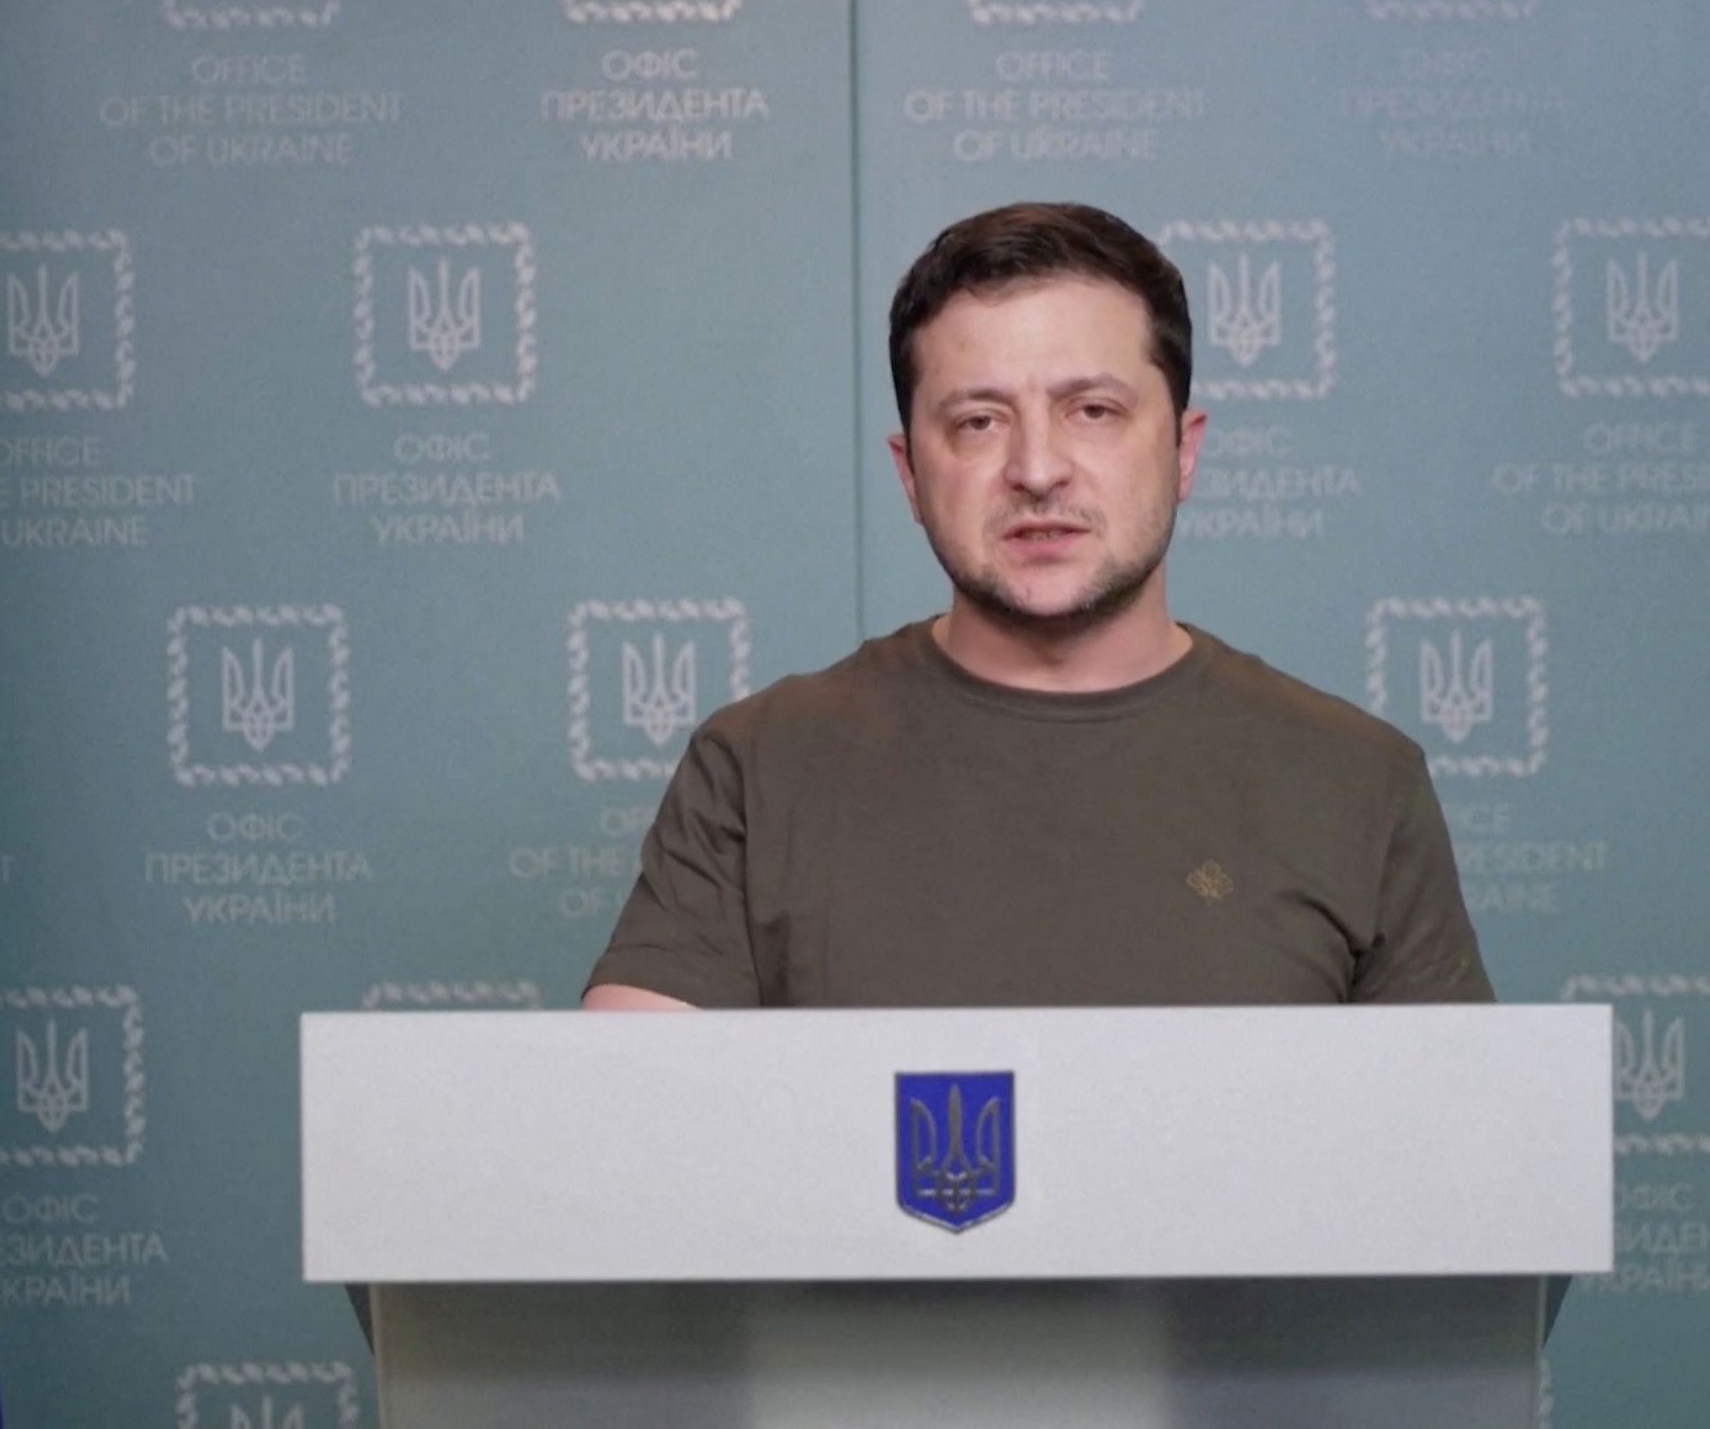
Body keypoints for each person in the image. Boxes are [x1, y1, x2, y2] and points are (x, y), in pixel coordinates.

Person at [581, 202, 1491, 1010]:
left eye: (1092, 411)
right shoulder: (758, 767)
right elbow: (631, 1118)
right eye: (978, 422)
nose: (1037, 469)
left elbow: (1449, 1134)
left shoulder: (1358, 782)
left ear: (1183, 450)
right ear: (909, 473)